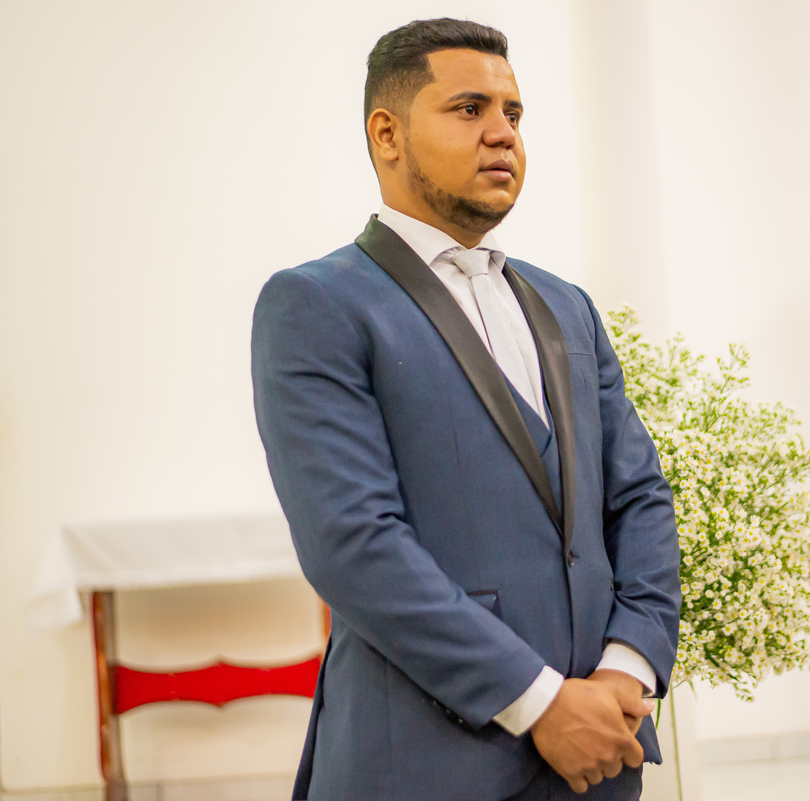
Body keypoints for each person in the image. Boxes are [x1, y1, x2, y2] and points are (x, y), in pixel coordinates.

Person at [251, 18, 681, 801]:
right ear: (387, 133)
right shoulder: (317, 303)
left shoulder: (566, 305)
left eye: (513, 113)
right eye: (469, 109)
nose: (502, 133)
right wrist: (541, 702)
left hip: (599, 757)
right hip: (426, 765)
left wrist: (626, 667)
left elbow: (639, 497)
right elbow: (354, 543)